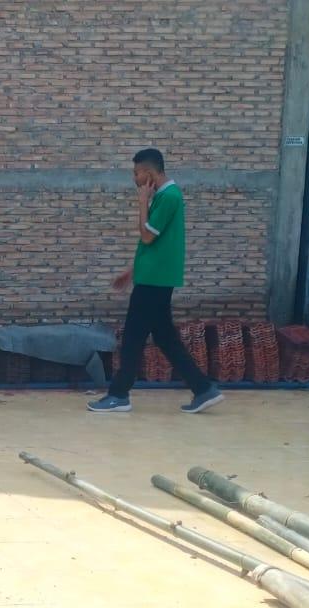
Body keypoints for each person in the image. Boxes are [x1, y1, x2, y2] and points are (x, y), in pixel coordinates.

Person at [88, 148, 223, 414]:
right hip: (153, 276)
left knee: (133, 337)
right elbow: (152, 246)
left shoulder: (169, 196)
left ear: (149, 173)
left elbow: (147, 236)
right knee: (165, 337)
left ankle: (118, 395)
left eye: (137, 173)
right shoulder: (164, 196)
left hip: (155, 281)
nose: (135, 178)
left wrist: (142, 202)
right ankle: (203, 389)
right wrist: (132, 270)